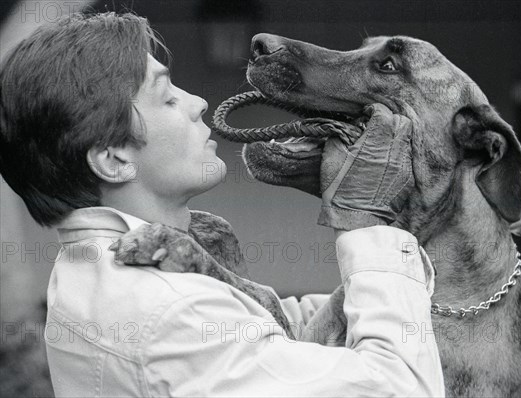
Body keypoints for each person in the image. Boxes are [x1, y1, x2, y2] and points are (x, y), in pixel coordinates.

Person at [0, 12, 444, 397]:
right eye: (167, 97)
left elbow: (285, 336)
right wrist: (367, 224)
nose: (197, 103)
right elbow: (403, 387)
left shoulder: (95, 272)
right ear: (113, 159)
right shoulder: (170, 314)